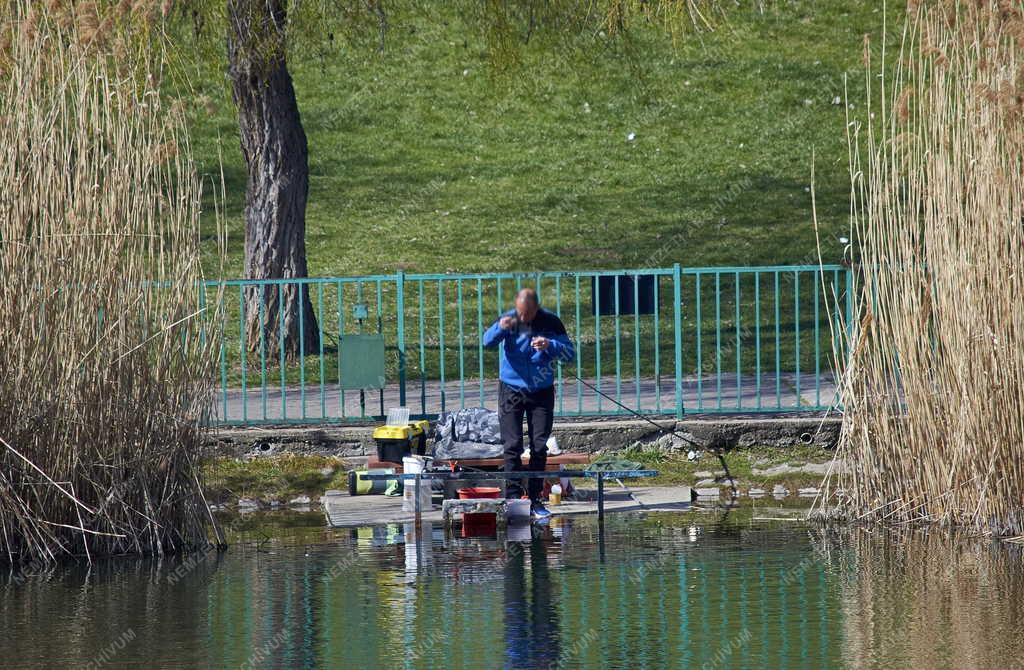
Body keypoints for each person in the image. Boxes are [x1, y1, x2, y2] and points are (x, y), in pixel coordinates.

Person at [482, 288, 575, 518]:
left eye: (527, 315)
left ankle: (535, 500)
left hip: (541, 391)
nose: (522, 319)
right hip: (511, 390)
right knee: (511, 446)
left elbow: (569, 355)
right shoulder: (509, 319)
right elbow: (486, 342)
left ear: (536, 308)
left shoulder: (551, 322)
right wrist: (499, 328)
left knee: (538, 446)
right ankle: (514, 499)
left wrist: (549, 345)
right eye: (520, 314)